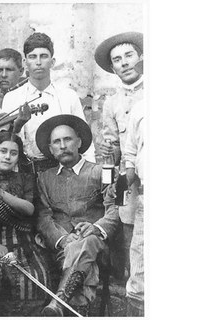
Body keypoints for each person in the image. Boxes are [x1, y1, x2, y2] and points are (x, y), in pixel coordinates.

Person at [33, 115, 119, 316]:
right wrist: (63, 239)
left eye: (68, 139)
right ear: (51, 148)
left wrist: (96, 227)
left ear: (79, 142)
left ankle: (58, 302)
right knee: (79, 251)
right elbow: (43, 217)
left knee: (88, 241)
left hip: (98, 245)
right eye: (57, 142)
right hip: (62, 249)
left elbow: (114, 208)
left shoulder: (101, 171)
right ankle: (77, 309)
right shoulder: (44, 179)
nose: (63, 146)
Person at [0, 132, 54, 316]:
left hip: (26, 243)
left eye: (13, 153)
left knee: (38, 276)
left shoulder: (27, 179)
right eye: (3, 151)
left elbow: (29, 209)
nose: (8, 156)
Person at [2, 32, 96, 173]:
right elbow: (5, 138)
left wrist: (89, 172)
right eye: (32, 57)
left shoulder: (68, 96)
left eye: (44, 56)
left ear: (52, 62)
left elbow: (83, 137)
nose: (38, 62)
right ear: (25, 62)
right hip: (24, 170)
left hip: (61, 169)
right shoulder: (12, 97)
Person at [94, 31, 144, 277]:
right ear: (113, 68)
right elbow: (112, 150)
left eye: (129, 56)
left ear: (141, 57)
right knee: (129, 233)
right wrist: (108, 151)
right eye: (117, 60)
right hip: (128, 180)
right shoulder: (111, 103)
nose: (124, 63)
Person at [122, 99, 145, 316]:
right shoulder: (140, 107)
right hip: (146, 196)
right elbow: (130, 155)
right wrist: (118, 185)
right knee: (139, 274)